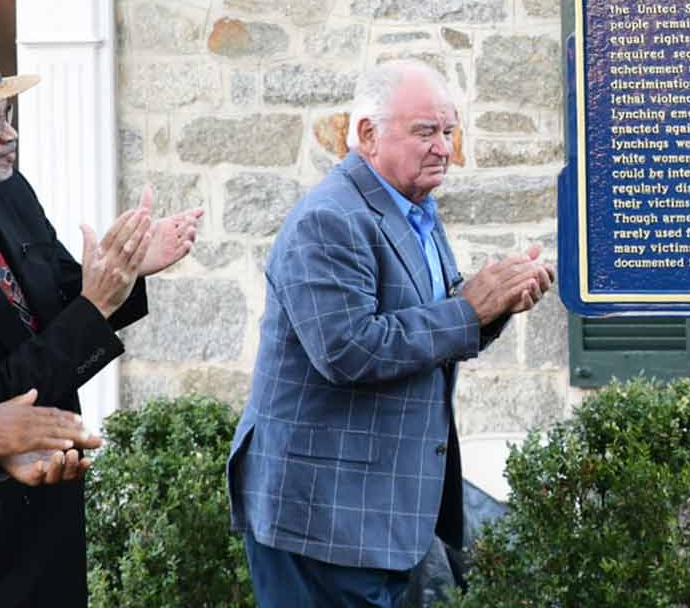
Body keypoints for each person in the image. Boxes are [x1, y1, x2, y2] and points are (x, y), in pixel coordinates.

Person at [228, 60, 555, 607]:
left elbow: (435, 329)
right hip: (323, 520)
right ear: (367, 134)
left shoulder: (416, 209)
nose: (443, 148)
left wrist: (497, 305)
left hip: (377, 518)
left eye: (448, 131)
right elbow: (348, 349)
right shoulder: (329, 219)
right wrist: (470, 310)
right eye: (425, 131)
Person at [0, 24, 201, 606]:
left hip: (51, 509)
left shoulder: (4, 190)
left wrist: (124, 271)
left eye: (9, 113)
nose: (10, 136)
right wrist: (97, 301)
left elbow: (58, 299)